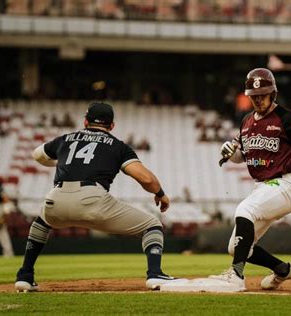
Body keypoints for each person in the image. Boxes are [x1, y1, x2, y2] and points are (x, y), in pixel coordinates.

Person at [14, 102, 182, 292]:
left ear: (85, 121)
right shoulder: (118, 146)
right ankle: (155, 274)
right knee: (152, 225)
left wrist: (62, 161)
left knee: (41, 222)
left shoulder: (66, 139)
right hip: (92, 200)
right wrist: (160, 194)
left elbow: (37, 155)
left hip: (56, 198)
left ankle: (25, 275)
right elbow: (146, 178)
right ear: (112, 126)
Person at [210, 68, 291, 291]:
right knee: (236, 246)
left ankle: (236, 276)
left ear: (272, 93)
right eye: (254, 96)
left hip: (285, 184)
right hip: (262, 188)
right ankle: (282, 270)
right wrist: (230, 152)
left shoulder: (288, 118)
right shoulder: (246, 121)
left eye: (262, 95)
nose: (258, 100)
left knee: (244, 210)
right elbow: (242, 155)